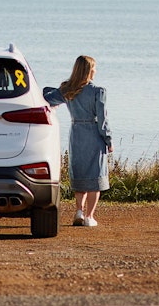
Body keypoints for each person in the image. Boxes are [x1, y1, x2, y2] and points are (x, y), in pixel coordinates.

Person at [43, 55, 113, 227]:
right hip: (93, 134)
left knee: (80, 173)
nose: (96, 71)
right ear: (90, 70)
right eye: (94, 68)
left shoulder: (68, 90)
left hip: (76, 133)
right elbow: (102, 121)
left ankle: (79, 211)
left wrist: (58, 92)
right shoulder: (98, 91)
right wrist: (108, 139)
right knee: (95, 176)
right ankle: (89, 216)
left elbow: (46, 96)